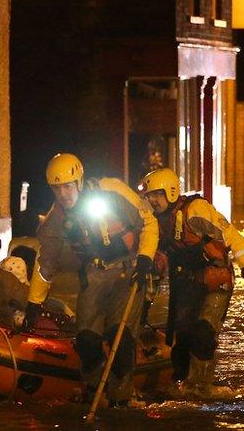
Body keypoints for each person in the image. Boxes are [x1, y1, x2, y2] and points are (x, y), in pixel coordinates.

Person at [24, 153, 159, 407]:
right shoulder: (56, 220)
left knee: (121, 338)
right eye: (56, 188)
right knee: (86, 340)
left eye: (67, 186)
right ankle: (95, 389)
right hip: (93, 275)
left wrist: (145, 258)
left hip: (127, 271)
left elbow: (149, 222)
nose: (63, 194)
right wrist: (34, 302)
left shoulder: (112, 190)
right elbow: (45, 265)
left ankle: (121, 399)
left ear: (79, 181)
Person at [139, 167, 244, 395]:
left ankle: (203, 387)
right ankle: (184, 385)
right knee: (182, 340)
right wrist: (145, 302)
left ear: (171, 191)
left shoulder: (195, 211)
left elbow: (231, 235)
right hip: (187, 282)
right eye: (150, 196)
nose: (153, 201)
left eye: (157, 195)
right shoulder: (155, 224)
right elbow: (156, 265)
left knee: (203, 333)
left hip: (215, 280)